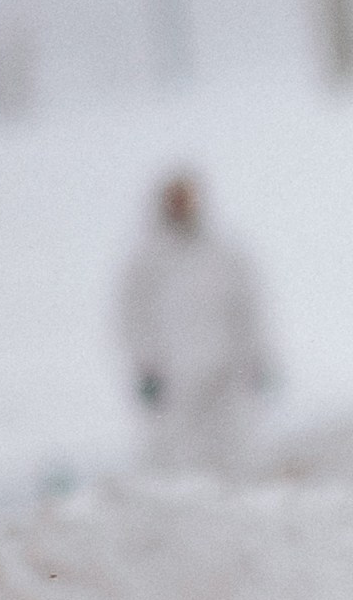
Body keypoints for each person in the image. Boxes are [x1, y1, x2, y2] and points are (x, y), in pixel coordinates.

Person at [117, 171, 276, 474]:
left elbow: (248, 308)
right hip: (174, 377)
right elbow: (132, 317)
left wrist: (258, 356)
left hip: (226, 372)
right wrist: (145, 364)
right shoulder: (147, 261)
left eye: (187, 199)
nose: (182, 206)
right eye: (175, 199)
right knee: (174, 455)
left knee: (235, 448)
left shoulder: (224, 253)